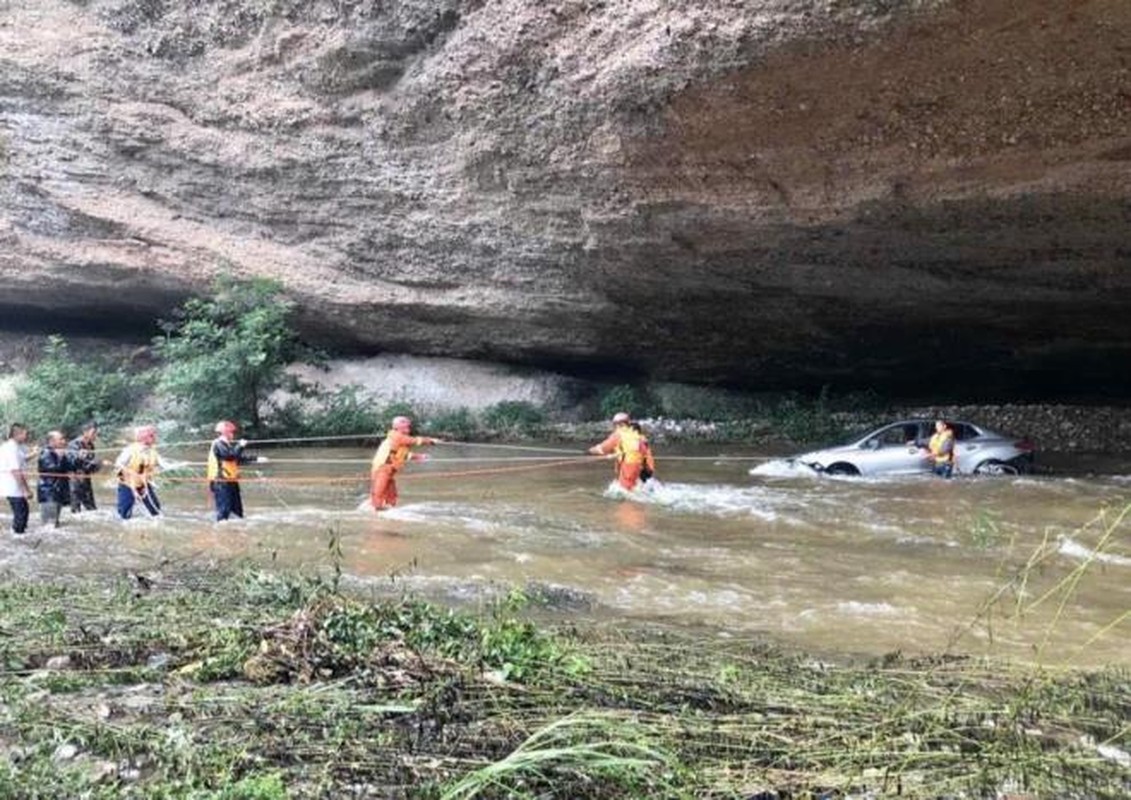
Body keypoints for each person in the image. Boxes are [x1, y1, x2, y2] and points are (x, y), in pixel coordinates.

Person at [370, 416, 440, 511]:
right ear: (396, 426)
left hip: (389, 470)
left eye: (408, 424)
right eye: (404, 423)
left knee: (392, 494)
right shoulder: (397, 436)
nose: (408, 425)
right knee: (379, 492)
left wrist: (418, 457)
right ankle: (376, 513)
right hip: (381, 469)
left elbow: (402, 454)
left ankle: (387, 514)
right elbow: (414, 440)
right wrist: (430, 441)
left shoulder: (399, 440)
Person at [207, 420, 267, 521]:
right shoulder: (218, 444)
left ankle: (237, 529)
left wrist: (256, 459)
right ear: (225, 432)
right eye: (231, 432)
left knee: (237, 511)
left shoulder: (227, 445)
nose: (233, 434)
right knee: (224, 511)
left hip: (231, 480)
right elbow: (229, 456)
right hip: (221, 482)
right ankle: (221, 530)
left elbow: (237, 459)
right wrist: (240, 445)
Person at [113, 425, 173, 519]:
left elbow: (165, 465)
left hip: (143, 484)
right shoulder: (130, 450)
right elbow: (118, 464)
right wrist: (130, 474)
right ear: (143, 438)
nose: (154, 438)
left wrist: (182, 467)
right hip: (127, 484)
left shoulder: (153, 452)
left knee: (155, 510)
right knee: (124, 514)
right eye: (151, 436)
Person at [588, 412, 651, 491]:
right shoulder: (637, 434)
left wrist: (589, 451)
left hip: (628, 466)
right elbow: (642, 450)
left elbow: (603, 449)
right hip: (641, 467)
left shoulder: (618, 435)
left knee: (626, 491)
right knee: (636, 488)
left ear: (618, 424)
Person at [37, 430, 75, 528]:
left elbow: (69, 467)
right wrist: (61, 457)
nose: (64, 441)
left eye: (64, 439)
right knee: (49, 527)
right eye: (61, 439)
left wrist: (79, 457)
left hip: (58, 492)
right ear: (52, 441)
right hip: (48, 493)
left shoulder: (59, 453)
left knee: (55, 525)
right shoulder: (46, 453)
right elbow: (53, 469)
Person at [1, 423, 31, 534]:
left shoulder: (15, 446)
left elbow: (22, 459)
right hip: (13, 487)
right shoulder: (11, 448)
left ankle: (18, 533)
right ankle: (18, 536)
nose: (28, 436)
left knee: (23, 511)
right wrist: (25, 490)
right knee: (21, 513)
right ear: (17, 434)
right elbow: (16, 471)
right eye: (25, 434)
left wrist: (34, 454)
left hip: (14, 486)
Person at [67, 421, 102, 512]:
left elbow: (88, 465)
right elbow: (70, 463)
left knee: (92, 509)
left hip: (86, 479)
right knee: (76, 510)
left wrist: (98, 465)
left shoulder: (91, 445)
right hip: (75, 480)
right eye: (93, 433)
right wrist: (79, 456)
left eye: (96, 433)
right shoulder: (74, 444)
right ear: (85, 432)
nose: (95, 435)